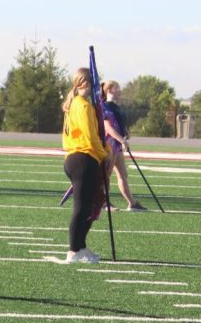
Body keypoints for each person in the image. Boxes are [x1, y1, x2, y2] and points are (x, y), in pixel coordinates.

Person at [61, 68, 107, 264]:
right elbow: (90, 136)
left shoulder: (75, 104)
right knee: (81, 207)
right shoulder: (83, 106)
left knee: (89, 206)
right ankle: (73, 250)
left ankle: (81, 246)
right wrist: (104, 153)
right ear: (86, 83)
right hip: (83, 158)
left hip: (78, 158)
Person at [102, 80, 145, 211]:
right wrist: (121, 140)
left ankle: (132, 203)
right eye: (117, 88)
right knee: (106, 175)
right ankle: (104, 203)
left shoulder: (116, 107)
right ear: (109, 90)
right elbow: (108, 127)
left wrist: (125, 133)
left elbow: (119, 124)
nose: (120, 91)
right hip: (110, 144)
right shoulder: (105, 107)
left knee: (123, 174)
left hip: (117, 145)